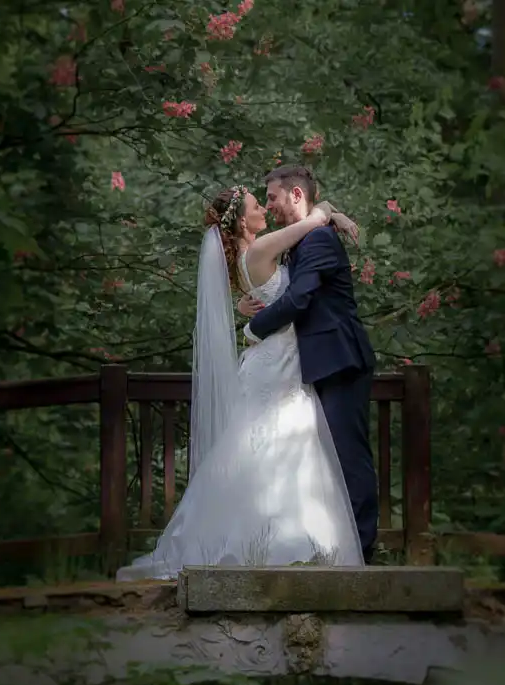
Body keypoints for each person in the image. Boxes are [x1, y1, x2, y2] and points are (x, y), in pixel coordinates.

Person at [116, 183, 364, 581]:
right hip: (278, 362)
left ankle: (262, 542)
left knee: (258, 452)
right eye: (255, 205)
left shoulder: (247, 259)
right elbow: (314, 219)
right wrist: (334, 215)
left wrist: (246, 312)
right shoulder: (264, 247)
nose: (263, 209)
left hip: (275, 360)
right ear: (242, 221)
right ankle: (289, 548)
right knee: (285, 447)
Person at [239, 165, 378, 564]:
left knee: (349, 458)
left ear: (296, 195)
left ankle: (362, 554)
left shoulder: (317, 240)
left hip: (340, 361)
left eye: (272, 198)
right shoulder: (305, 237)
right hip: (319, 363)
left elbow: (299, 299)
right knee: (328, 462)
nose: (269, 205)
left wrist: (252, 329)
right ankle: (339, 551)